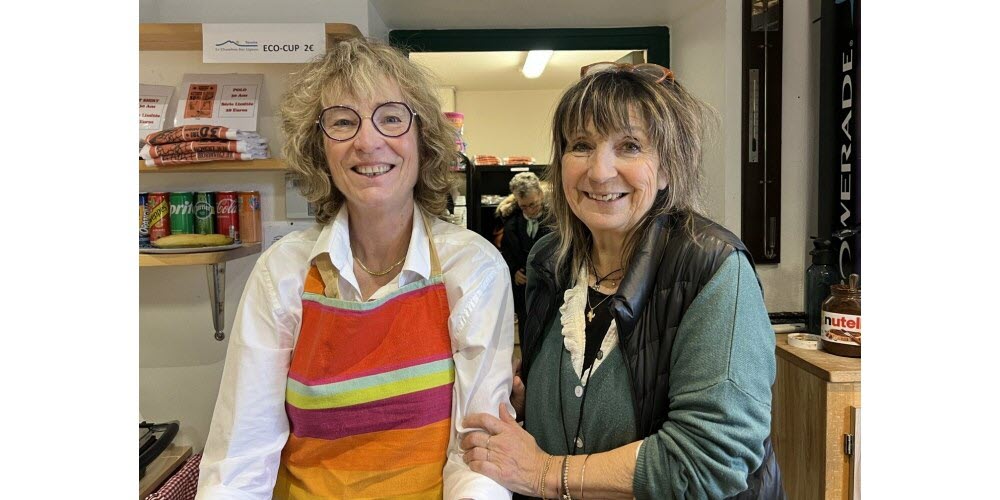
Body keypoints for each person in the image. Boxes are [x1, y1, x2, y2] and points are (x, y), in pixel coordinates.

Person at [196, 38, 515, 500]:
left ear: (424, 139)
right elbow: (240, 459)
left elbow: (476, 456)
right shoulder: (282, 272)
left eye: (391, 118)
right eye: (343, 122)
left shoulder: (473, 268)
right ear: (319, 148)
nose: (368, 142)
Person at [460, 62, 783, 499]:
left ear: (667, 168)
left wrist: (546, 473)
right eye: (581, 145)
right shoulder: (549, 260)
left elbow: (709, 460)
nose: (599, 171)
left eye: (629, 146)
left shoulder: (713, 269)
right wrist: (526, 405)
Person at [495, 172, 551, 327]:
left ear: (540, 194)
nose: (530, 211)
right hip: (523, 287)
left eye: (533, 204)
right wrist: (514, 271)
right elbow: (507, 251)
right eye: (523, 206)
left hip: (549, 285)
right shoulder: (511, 222)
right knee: (525, 326)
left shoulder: (555, 219)